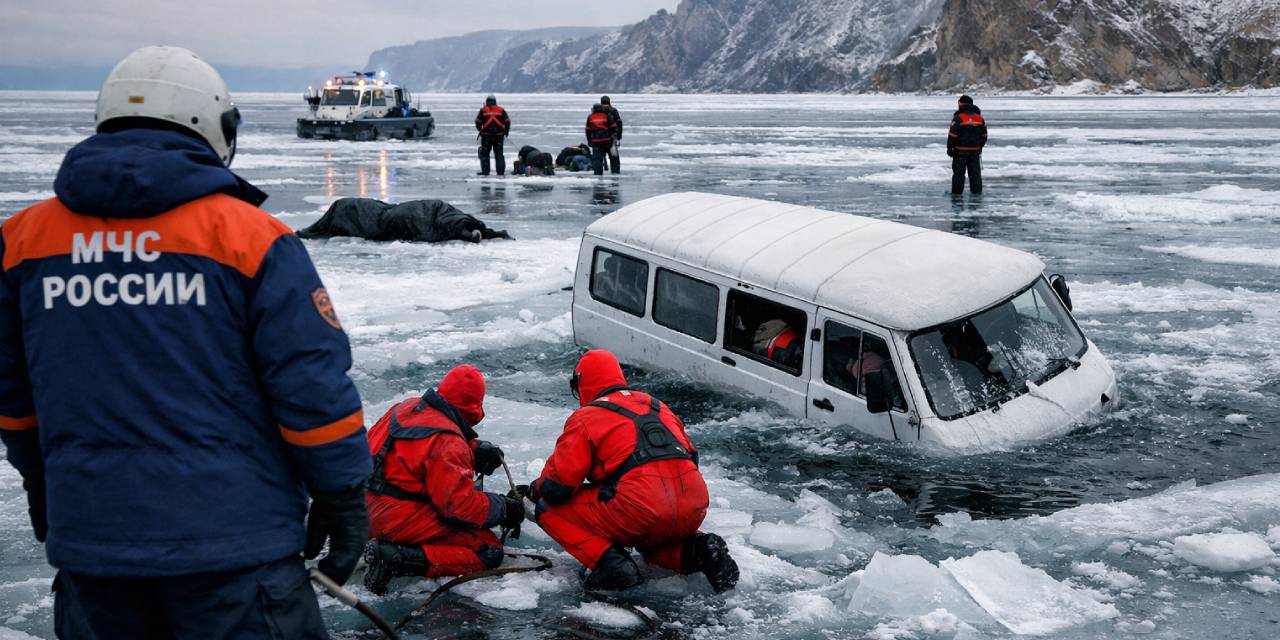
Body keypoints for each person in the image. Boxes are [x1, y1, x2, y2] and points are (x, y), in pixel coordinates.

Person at [0, 46, 370, 638]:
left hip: (95, 544)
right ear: (213, 125)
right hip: (234, 551)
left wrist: (41, 483)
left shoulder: (22, 242)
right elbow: (311, 386)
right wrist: (342, 496)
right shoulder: (251, 239)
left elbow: (13, 401)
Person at [523, 350, 739, 592]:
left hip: (639, 507)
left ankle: (613, 566)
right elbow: (691, 458)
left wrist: (535, 489)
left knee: (547, 508)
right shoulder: (658, 406)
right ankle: (700, 550)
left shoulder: (586, 417)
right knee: (651, 542)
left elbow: (557, 487)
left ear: (582, 383)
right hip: (692, 504)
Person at [362, 365, 524, 595]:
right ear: (475, 407)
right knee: (487, 550)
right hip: (392, 518)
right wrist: (504, 508)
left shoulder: (403, 408)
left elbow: (419, 445)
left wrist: (474, 450)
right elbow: (459, 508)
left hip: (360, 508)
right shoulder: (449, 442)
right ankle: (396, 558)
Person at [947, 95, 987, 195]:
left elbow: (952, 135)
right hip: (975, 151)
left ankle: (956, 196)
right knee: (975, 175)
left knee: (958, 174)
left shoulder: (958, 118)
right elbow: (984, 135)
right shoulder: (980, 118)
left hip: (960, 151)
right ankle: (977, 196)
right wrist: (980, 146)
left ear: (961, 104)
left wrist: (949, 148)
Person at [475, 94, 511, 176]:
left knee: (485, 154)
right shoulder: (501, 110)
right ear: (495, 101)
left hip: (486, 137)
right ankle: (500, 172)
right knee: (499, 155)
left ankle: (485, 172)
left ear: (487, 101)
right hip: (499, 136)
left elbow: (477, 122)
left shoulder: (483, 110)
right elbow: (507, 122)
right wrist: (506, 132)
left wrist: (480, 130)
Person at [585, 103, 616, 176]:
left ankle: (598, 174)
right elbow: (613, 127)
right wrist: (611, 136)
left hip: (596, 142)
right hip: (607, 140)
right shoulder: (607, 115)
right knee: (613, 157)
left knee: (597, 158)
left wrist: (589, 141)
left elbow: (588, 130)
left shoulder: (590, 117)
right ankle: (615, 172)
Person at [600, 96, 623, 174]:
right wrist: (619, 135)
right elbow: (619, 123)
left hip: (600, 138)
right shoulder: (613, 110)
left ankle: (600, 171)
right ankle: (615, 172)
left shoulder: (597, 111)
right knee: (614, 156)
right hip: (612, 137)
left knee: (599, 157)